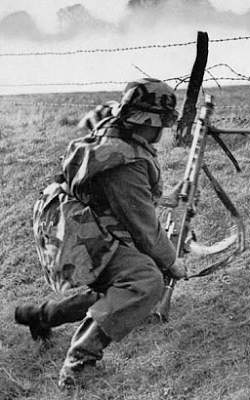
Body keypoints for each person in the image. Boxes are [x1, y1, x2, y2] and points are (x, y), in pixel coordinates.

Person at [14, 78, 187, 388]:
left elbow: (124, 196)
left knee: (117, 282)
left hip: (70, 217)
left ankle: (41, 316)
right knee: (146, 279)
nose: (161, 132)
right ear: (146, 122)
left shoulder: (116, 130)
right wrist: (172, 262)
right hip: (75, 226)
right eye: (159, 124)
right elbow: (144, 228)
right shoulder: (127, 160)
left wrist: (166, 197)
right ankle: (79, 365)